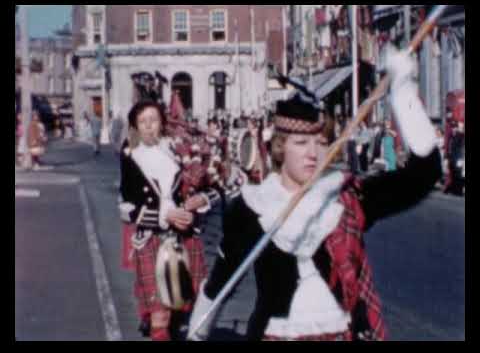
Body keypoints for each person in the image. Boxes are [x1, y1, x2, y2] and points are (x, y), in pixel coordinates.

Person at [187, 45, 442, 341]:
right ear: (280, 147)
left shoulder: (346, 198)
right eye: (301, 143)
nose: (313, 154)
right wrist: (197, 334)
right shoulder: (251, 208)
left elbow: (423, 176)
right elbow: (220, 284)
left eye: (321, 143)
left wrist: (402, 89)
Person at [119, 100, 219, 341]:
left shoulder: (178, 150)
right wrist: (165, 216)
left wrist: (200, 201)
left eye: (153, 120)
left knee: (180, 311)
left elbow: (215, 190)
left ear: (162, 122)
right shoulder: (131, 156)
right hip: (151, 239)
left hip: (184, 238)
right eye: (142, 122)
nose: (149, 126)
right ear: (135, 127)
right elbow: (126, 207)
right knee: (159, 314)